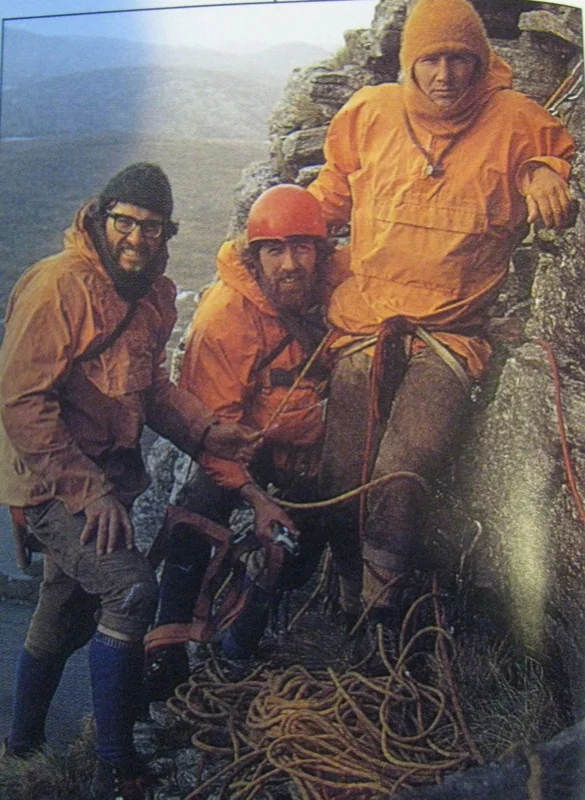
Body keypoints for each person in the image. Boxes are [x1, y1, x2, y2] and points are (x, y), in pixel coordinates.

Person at [306, 0, 576, 631]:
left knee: (404, 464)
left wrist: (542, 171)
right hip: (366, 322)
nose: (446, 75)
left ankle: (382, 618)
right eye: (431, 59)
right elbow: (330, 195)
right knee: (342, 467)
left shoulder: (513, 120)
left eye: (461, 59)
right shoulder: (370, 114)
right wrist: (272, 241)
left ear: (481, 63)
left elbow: (550, 155)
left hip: (451, 335)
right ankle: (346, 593)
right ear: (410, 63)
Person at [0, 163, 257, 800]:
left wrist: (203, 434)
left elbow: (153, 389)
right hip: (51, 481)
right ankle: (118, 765)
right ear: (101, 216)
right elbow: (23, 401)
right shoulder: (58, 287)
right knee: (131, 591)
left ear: (166, 234)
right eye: (125, 223)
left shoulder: (152, 297)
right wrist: (86, 492)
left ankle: (20, 748)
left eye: (151, 227)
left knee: (63, 616)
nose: (136, 239)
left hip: (110, 481)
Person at [145, 184, 357, 699]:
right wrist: (256, 499)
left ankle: (241, 641)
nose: (290, 264)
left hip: (308, 453)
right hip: (242, 445)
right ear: (255, 256)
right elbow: (214, 434)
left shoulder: (342, 284)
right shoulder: (225, 319)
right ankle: (166, 650)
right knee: (198, 512)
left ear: (320, 253)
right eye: (275, 251)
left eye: (302, 248)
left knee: (298, 544)